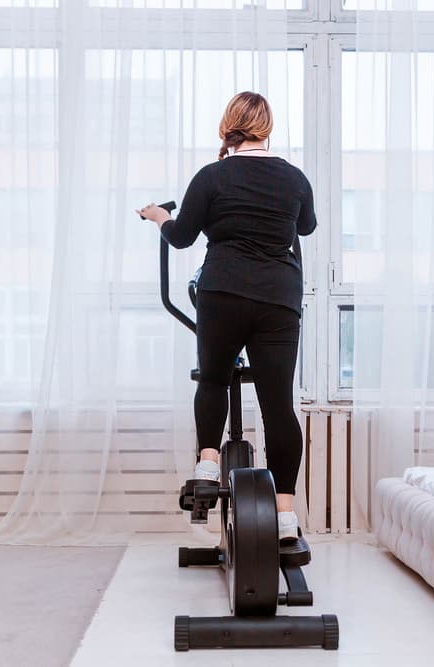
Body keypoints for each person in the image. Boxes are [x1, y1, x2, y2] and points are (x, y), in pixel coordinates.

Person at [138, 91, 316, 543]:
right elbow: (306, 226)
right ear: (268, 128)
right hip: (278, 300)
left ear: (228, 127)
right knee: (279, 406)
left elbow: (181, 237)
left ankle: (207, 462)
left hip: (223, 294)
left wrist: (159, 216)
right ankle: (286, 515)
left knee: (215, 379)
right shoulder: (294, 180)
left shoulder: (213, 177)